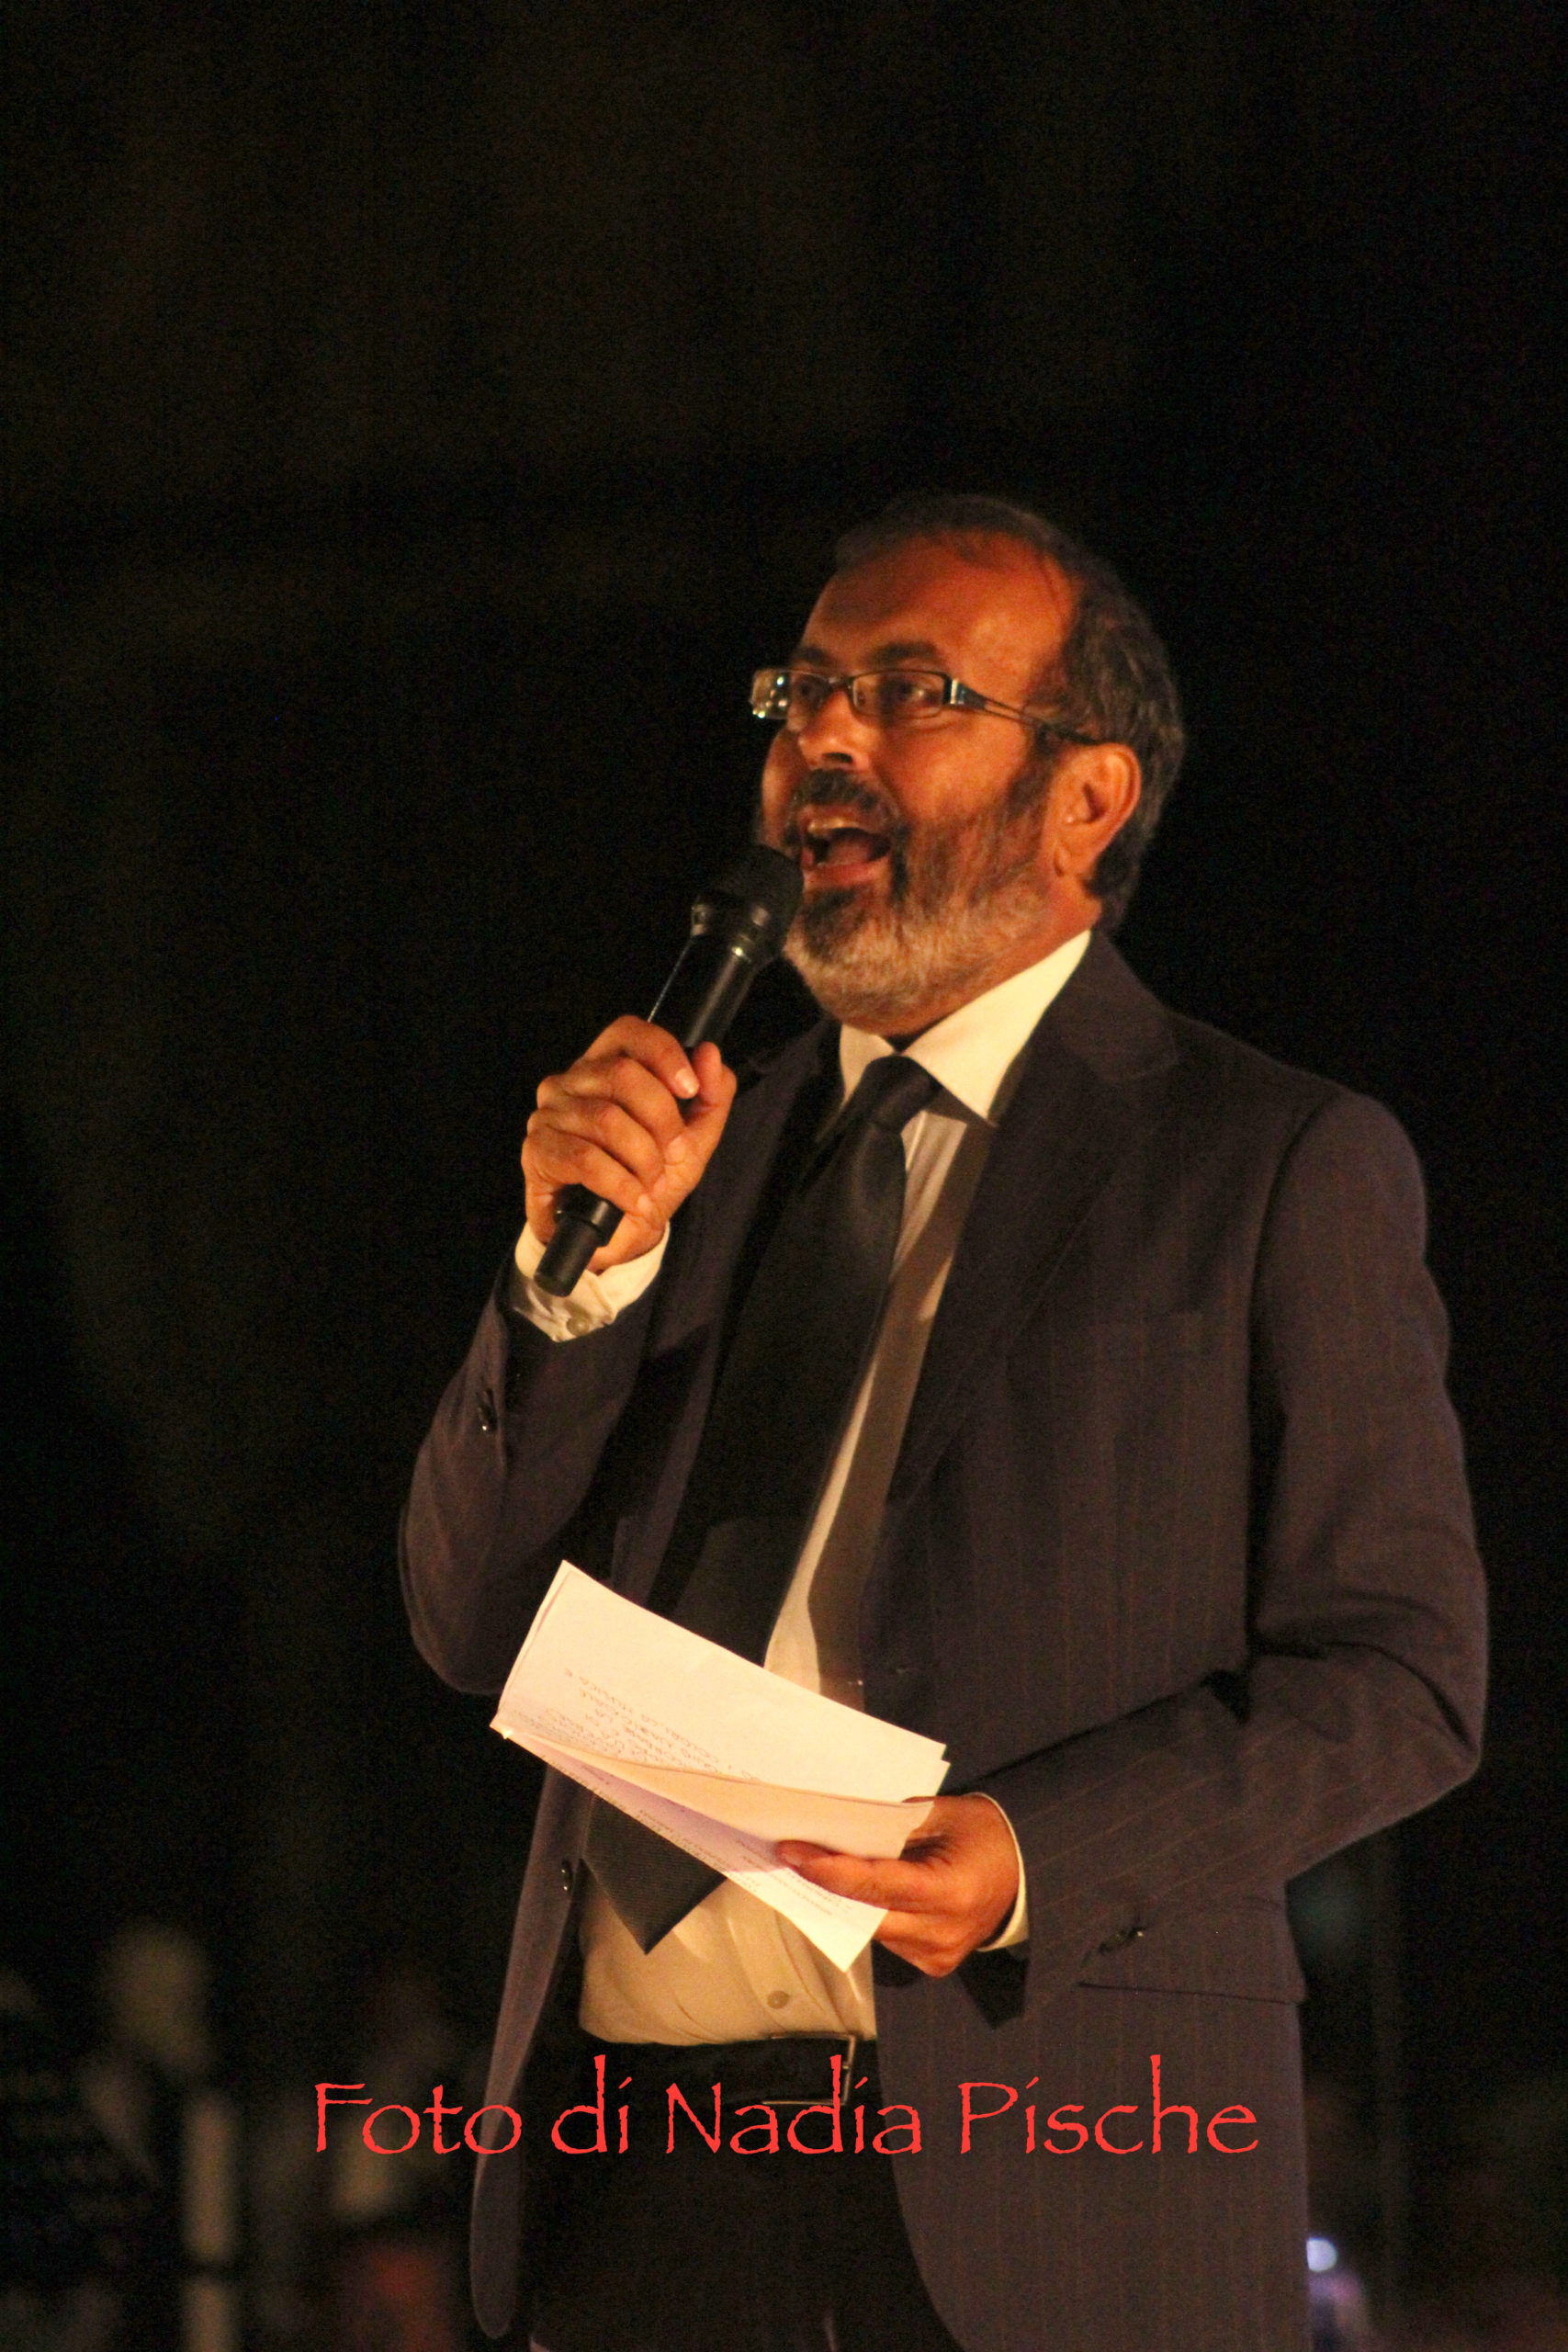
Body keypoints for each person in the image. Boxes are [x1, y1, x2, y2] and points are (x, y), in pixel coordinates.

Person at [400, 494, 1486, 2352]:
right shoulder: (694, 1147)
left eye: (912, 692)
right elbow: (468, 1619)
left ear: (1087, 798)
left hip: (1049, 2167)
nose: (823, 735)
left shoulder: (1262, 1161)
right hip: (640, 2174)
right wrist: (564, 1282)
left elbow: (1401, 1678)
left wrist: (1034, 1857)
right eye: (801, 691)